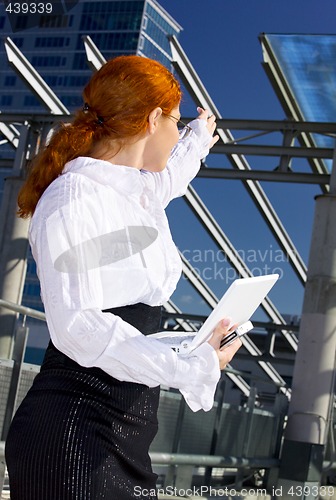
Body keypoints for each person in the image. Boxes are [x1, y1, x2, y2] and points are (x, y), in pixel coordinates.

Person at [5, 55, 242, 500]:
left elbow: (173, 176)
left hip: (125, 431)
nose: (177, 134)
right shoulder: (73, 199)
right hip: (75, 436)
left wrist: (198, 136)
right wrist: (191, 366)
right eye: (175, 121)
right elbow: (80, 329)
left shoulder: (132, 191)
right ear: (153, 119)